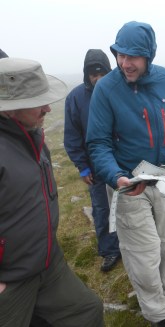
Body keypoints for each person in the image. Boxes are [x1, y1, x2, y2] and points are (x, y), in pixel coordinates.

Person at [86, 21, 165, 326]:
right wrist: (115, 176)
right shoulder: (106, 90)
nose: (125, 63)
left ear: (149, 55)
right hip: (128, 183)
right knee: (143, 251)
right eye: (120, 54)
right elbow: (97, 143)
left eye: (133, 56)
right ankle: (159, 315)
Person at [0, 57, 104, 326]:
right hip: (10, 279)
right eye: (38, 101)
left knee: (87, 311)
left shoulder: (31, 136)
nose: (48, 107)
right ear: (10, 108)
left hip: (47, 263)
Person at [64, 49, 121, 272]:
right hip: (96, 166)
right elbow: (72, 135)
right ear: (86, 75)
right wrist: (82, 166)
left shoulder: (120, 91)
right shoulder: (76, 98)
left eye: (102, 73)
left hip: (124, 162)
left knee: (132, 204)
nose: (97, 78)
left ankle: (131, 244)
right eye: (92, 74)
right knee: (102, 209)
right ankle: (109, 251)